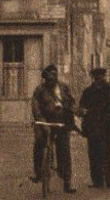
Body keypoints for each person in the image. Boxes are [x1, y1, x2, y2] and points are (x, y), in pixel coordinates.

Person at [78, 65, 110, 189]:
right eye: (97, 78)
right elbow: (82, 106)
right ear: (93, 79)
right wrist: (83, 112)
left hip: (108, 125)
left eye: (101, 77)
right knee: (94, 154)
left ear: (104, 77)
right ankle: (97, 181)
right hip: (93, 126)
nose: (99, 80)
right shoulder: (88, 91)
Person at [30, 63, 78, 193]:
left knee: (64, 150)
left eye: (54, 76)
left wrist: (71, 112)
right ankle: (38, 173)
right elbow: (35, 107)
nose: (53, 79)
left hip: (61, 122)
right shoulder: (39, 90)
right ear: (45, 78)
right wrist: (40, 120)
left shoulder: (64, 88)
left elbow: (71, 102)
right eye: (49, 77)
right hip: (44, 122)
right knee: (39, 142)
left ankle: (67, 181)